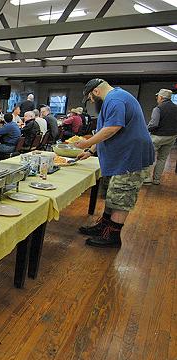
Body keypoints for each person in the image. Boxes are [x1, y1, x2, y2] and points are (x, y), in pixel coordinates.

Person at [75, 78, 154, 248]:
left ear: (95, 92)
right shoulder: (116, 98)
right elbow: (106, 128)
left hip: (130, 158)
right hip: (121, 157)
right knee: (113, 194)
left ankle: (112, 236)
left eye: (89, 97)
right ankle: (104, 227)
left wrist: (86, 143)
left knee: (122, 196)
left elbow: (112, 128)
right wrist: (91, 151)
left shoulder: (115, 99)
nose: (90, 101)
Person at [145, 88, 177, 185]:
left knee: (150, 157)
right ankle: (156, 180)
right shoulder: (176, 108)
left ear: (161, 97)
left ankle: (147, 178)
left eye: (157, 96)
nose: (156, 98)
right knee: (162, 158)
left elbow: (154, 124)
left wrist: (145, 130)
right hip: (171, 137)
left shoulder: (158, 108)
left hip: (157, 137)